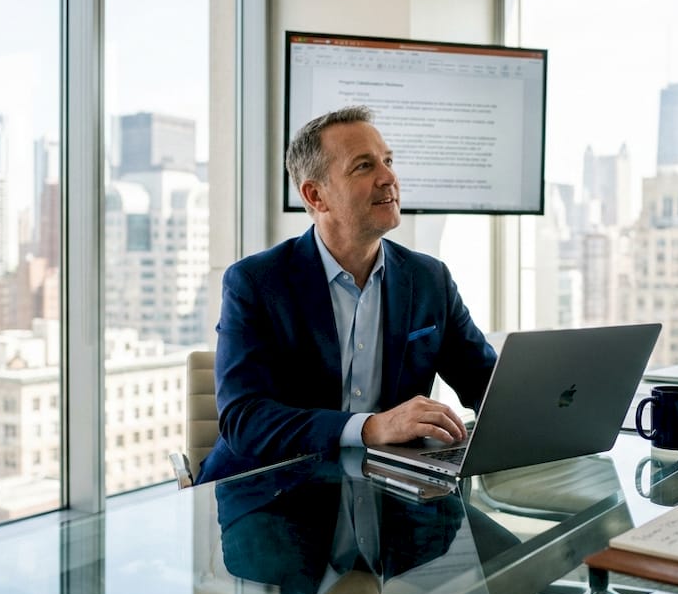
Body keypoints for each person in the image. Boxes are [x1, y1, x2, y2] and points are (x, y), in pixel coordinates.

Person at [197, 105, 497, 483]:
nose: (389, 177)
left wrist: (551, 404)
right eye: (364, 166)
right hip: (267, 492)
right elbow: (245, 420)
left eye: (388, 161)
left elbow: (486, 383)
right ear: (316, 196)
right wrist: (369, 427)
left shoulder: (429, 278)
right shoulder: (256, 282)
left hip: (388, 490)